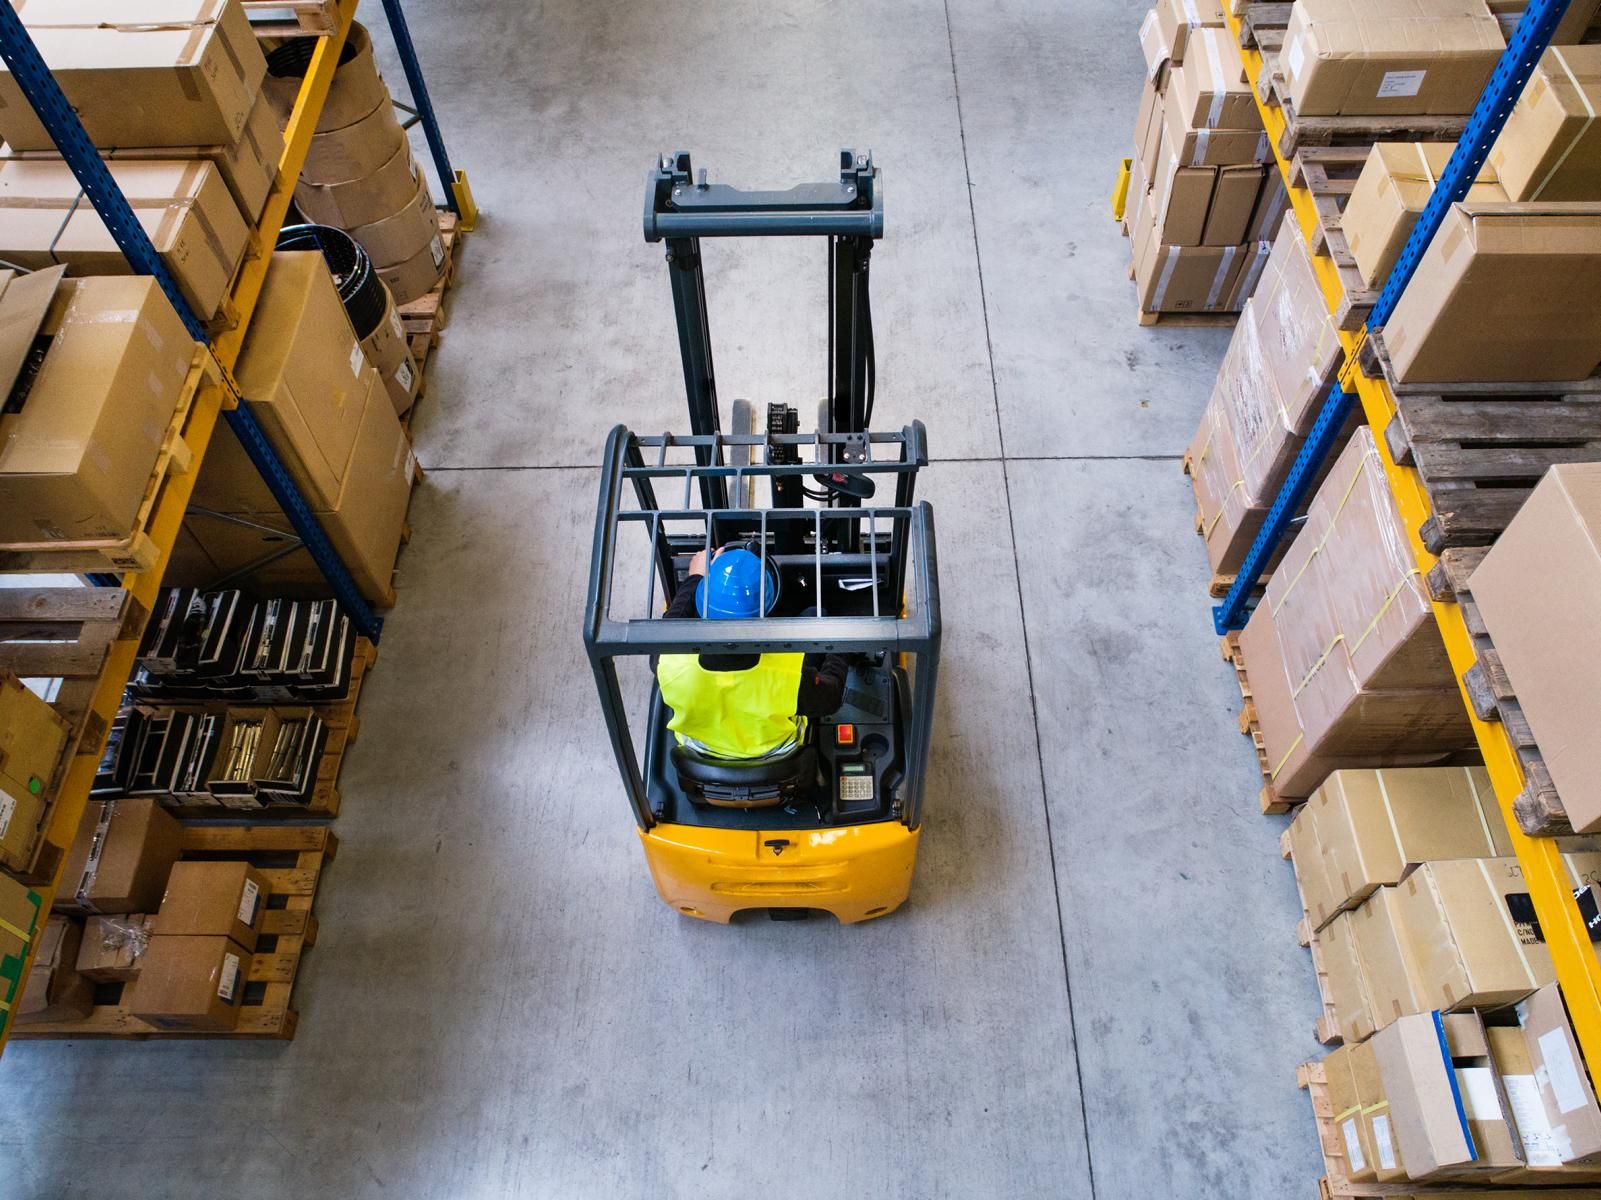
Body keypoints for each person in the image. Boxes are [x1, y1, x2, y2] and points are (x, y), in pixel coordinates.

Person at [655, 545, 847, 761]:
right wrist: (838, 646)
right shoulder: (787, 675)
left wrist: (696, 578)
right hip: (776, 754)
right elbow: (832, 697)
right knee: (815, 614)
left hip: (701, 751)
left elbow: (670, 625)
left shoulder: (668, 661)